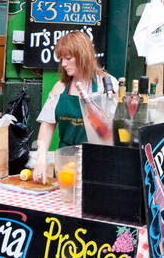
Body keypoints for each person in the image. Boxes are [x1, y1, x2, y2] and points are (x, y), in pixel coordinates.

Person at [33, 31, 111, 180]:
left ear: (83, 56)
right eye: (61, 59)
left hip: (95, 161)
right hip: (66, 161)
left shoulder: (105, 84)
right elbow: (47, 124)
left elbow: (113, 130)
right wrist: (41, 159)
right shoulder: (60, 88)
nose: (63, 64)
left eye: (68, 58)